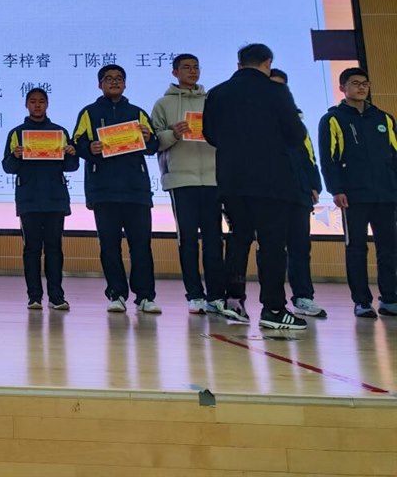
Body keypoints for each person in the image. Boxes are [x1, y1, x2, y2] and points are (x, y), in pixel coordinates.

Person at [203, 44, 309, 330]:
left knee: (239, 239)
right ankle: (273, 309)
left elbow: (210, 134)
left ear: (239, 64)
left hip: (231, 180)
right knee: (272, 245)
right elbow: (296, 135)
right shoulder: (276, 91)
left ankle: (233, 301)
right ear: (268, 62)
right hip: (272, 181)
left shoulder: (217, 92)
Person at [73, 64, 161, 314]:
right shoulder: (89, 113)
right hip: (104, 191)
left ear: (125, 83)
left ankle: (145, 297)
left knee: (141, 246)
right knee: (110, 247)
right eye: (108, 78)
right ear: (99, 84)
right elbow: (76, 143)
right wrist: (89, 148)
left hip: (136, 191)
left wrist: (148, 138)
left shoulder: (137, 113)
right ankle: (116, 294)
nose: (114, 82)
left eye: (119, 78)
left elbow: (153, 145)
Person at [151, 54, 231, 317]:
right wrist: (173, 133)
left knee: (213, 240)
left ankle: (216, 295)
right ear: (174, 72)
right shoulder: (163, 104)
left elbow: (226, 135)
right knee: (187, 240)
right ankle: (194, 295)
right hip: (181, 180)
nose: (192, 71)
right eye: (186, 67)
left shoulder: (212, 101)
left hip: (212, 178)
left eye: (196, 67)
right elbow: (154, 142)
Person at [317, 67, 397, 319]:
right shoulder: (333, 119)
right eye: (355, 83)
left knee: (389, 248)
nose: (361, 87)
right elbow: (328, 159)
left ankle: (390, 298)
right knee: (356, 248)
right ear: (342, 88)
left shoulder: (384, 119)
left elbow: (394, 156)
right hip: (353, 196)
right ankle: (362, 301)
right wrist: (336, 189)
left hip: (386, 195)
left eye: (365, 83)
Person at [2, 87, 79, 310]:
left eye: (41, 101)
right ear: (26, 105)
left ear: (47, 104)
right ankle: (34, 296)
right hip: (29, 199)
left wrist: (71, 153)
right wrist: (15, 155)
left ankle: (56, 297)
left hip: (55, 199)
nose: (37, 105)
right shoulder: (17, 134)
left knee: (54, 249)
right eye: (33, 101)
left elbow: (71, 166)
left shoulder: (59, 132)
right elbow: (8, 167)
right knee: (31, 250)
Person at [267, 68, 326, 318]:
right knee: (271, 249)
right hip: (269, 194)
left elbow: (309, 156)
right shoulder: (255, 120)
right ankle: (273, 302)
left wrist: (313, 185)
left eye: (281, 87)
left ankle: (303, 297)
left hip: (299, 192)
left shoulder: (296, 120)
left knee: (300, 247)